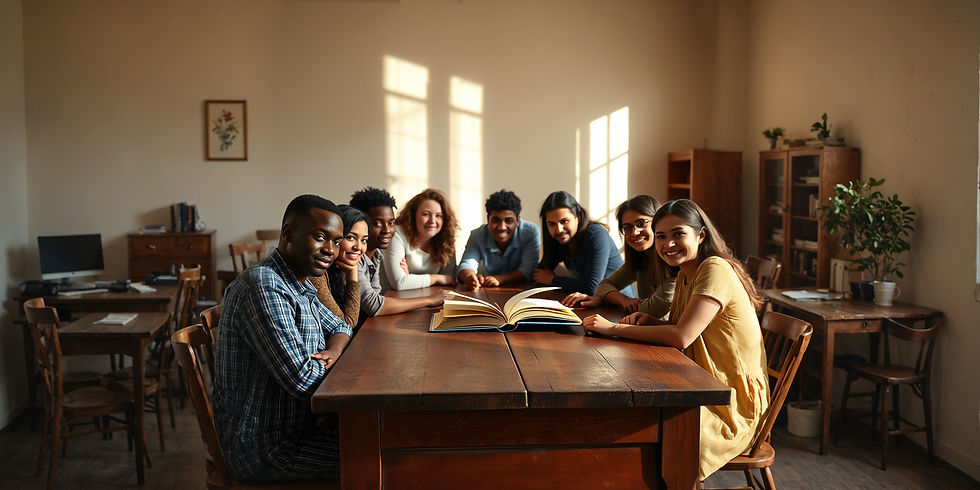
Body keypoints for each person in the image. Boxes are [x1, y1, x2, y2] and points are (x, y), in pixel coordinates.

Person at [580, 199, 769, 481]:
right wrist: (653, 322)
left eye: (678, 234)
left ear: (700, 235)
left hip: (733, 403)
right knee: (631, 421)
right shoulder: (685, 273)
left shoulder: (714, 268)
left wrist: (613, 329)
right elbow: (679, 326)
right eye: (661, 236)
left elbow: (682, 336)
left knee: (643, 429)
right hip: (702, 383)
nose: (668, 244)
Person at [212, 194, 352, 483]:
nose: (330, 250)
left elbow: (341, 327)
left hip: (301, 427)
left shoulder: (298, 282)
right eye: (320, 237)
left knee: (384, 442)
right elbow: (302, 380)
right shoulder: (264, 285)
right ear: (288, 233)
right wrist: (336, 359)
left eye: (337, 241)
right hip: (264, 448)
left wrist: (334, 353)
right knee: (383, 454)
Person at [561, 195, 674, 319]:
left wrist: (609, 300)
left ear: (658, 221)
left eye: (641, 223)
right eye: (627, 227)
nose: (634, 232)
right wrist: (622, 301)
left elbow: (653, 309)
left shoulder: (673, 261)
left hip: (663, 334)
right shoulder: (640, 259)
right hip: (643, 329)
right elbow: (603, 286)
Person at [349, 187, 450, 321]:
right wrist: (430, 300)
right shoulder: (354, 256)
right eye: (378, 223)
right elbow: (373, 304)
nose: (387, 230)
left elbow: (376, 296)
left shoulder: (376, 254)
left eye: (391, 223)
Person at [533, 190, 626, 295]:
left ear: (578, 218)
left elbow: (592, 287)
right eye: (551, 224)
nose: (559, 229)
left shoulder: (596, 235)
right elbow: (540, 274)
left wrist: (553, 280)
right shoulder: (560, 240)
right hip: (594, 304)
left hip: (621, 304)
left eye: (564, 221)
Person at [456, 189, 541, 291]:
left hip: (522, 291)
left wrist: (500, 279)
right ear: (488, 219)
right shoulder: (477, 235)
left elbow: (529, 270)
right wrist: (469, 277)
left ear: (518, 220)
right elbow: (467, 264)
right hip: (488, 290)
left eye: (508, 221)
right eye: (496, 220)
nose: (502, 227)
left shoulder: (530, 232)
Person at [382, 188, 458, 290]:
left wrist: (411, 279)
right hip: (390, 299)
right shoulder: (396, 234)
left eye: (439, 216)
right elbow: (400, 283)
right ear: (413, 215)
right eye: (425, 214)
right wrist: (437, 278)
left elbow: (449, 279)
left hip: (427, 298)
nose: (432, 221)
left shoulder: (446, 239)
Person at [310, 205, 364, 329]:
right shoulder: (317, 272)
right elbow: (348, 323)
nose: (358, 247)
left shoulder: (339, 267)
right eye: (350, 238)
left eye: (364, 240)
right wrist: (353, 274)